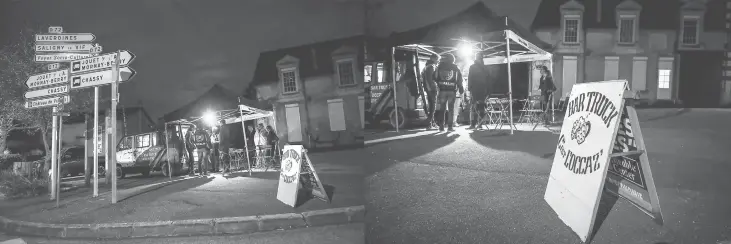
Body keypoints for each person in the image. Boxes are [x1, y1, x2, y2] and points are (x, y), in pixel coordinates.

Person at [433, 53, 464, 132]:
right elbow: (460, 79)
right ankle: (450, 127)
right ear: (452, 59)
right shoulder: (455, 67)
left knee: (442, 109)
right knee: (451, 109)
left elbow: (434, 77)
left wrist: (440, 83)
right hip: (452, 90)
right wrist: (460, 88)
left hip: (442, 90)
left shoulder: (439, 66)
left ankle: (441, 127)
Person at [467, 55, 490, 130]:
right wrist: (488, 91)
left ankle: (473, 124)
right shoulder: (485, 67)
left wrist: (469, 88)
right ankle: (480, 124)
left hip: (474, 89)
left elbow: (470, 77)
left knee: (474, 106)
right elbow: (489, 79)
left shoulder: (472, 67)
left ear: (476, 58)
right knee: (482, 107)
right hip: (483, 90)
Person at [422, 54, 440, 130]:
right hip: (431, 89)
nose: (438, 61)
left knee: (431, 106)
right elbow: (431, 79)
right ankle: (429, 123)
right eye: (437, 59)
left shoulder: (426, 66)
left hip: (428, 89)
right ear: (434, 59)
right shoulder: (431, 67)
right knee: (433, 107)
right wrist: (434, 88)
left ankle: (432, 123)